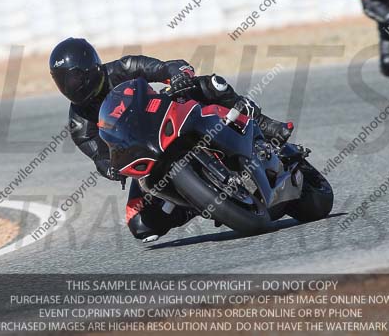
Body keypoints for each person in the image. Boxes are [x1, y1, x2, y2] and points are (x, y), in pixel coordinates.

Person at [49, 37, 294, 242]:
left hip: (167, 116)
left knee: (212, 84)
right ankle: (197, 201)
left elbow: (164, 68)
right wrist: (112, 170)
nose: (70, 86)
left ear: (90, 68)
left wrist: (176, 75)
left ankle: (263, 124)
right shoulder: (79, 124)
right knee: (140, 223)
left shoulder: (123, 68)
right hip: (144, 153)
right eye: (62, 81)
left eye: (73, 78)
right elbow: (99, 157)